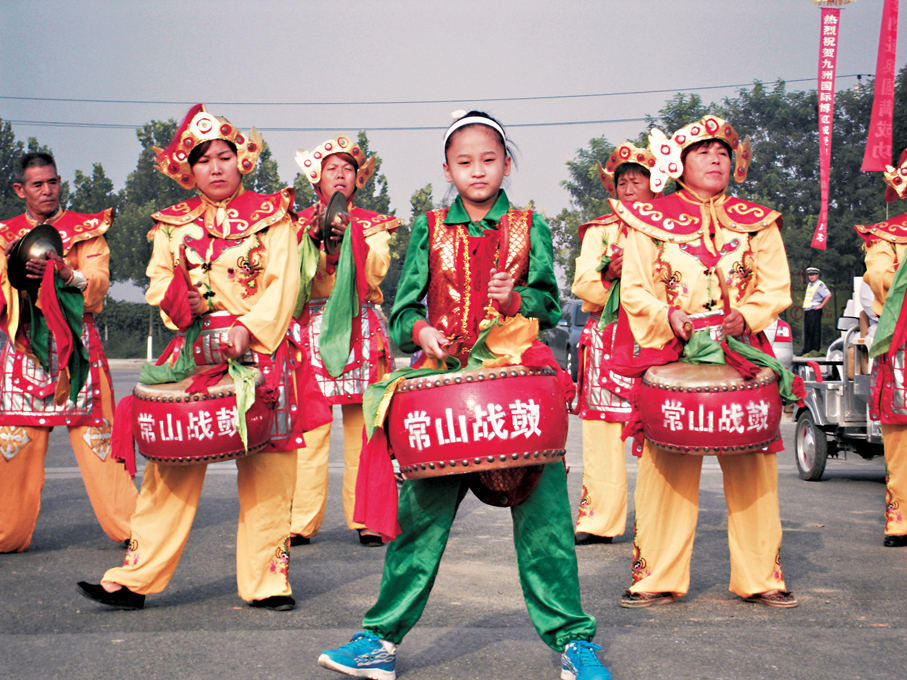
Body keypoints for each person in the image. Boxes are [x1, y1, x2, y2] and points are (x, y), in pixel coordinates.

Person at [317, 112, 610, 680]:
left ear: (507, 164)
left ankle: (575, 643)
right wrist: (421, 331)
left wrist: (515, 301)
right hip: (444, 394)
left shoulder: (530, 226)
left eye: (489, 159)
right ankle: (378, 640)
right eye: (464, 162)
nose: (478, 171)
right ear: (447, 170)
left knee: (546, 522)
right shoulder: (429, 227)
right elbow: (402, 312)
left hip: (516, 386)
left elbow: (550, 305)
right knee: (419, 520)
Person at [76, 104, 303, 610]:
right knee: (170, 468)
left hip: (261, 355)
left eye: (225, 156)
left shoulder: (273, 215)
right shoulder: (171, 225)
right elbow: (159, 283)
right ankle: (134, 578)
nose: (216, 168)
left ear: (242, 160)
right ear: (188, 170)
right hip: (193, 357)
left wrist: (248, 328)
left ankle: (267, 582)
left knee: (269, 471)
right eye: (203, 160)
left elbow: (284, 283)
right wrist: (183, 302)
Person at [616, 115, 798, 608]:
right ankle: (656, 577)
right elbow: (634, 288)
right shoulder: (648, 220)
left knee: (753, 465)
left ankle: (761, 577)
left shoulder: (758, 220)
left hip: (741, 353)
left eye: (722, 152)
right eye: (703, 151)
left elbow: (776, 286)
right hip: (676, 350)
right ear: (679, 163)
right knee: (667, 466)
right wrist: (668, 315)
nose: (715, 159)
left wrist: (747, 315)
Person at [0, 152, 138, 553]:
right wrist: (9, 271)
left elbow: (97, 283)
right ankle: (7, 533)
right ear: (20, 190)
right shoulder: (4, 235)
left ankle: (133, 528)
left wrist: (64, 274)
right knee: (12, 449)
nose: (47, 190)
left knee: (100, 443)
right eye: (37, 184)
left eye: (53, 182)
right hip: (24, 349)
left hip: (77, 347)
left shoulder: (86, 231)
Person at [290, 136, 402, 547]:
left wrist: (350, 236)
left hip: (361, 324)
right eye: (331, 168)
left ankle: (367, 518)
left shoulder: (374, 224)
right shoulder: (295, 223)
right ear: (316, 177)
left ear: (358, 178)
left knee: (366, 429)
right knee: (312, 428)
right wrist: (313, 241)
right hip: (313, 325)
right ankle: (300, 520)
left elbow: (374, 272)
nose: (340, 175)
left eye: (348, 169)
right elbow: (291, 277)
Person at [571, 142, 659, 545]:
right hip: (607, 338)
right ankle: (598, 520)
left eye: (637, 180)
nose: (629, 187)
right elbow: (582, 284)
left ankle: (657, 520)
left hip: (655, 337)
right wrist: (609, 274)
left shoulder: (672, 230)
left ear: (654, 185)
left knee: (657, 431)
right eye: (622, 181)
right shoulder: (600, 230)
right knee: (602, 433)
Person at [856, 161, 907, 547]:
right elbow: (878, 276)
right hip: (902, 343)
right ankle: (900, 519)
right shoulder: (887, 237)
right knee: (901, 439)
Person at [801, 267, 831, 355]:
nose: (811, 276)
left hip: (814, 311)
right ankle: (806, 350)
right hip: (808, 310)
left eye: (813, 275)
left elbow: (828, 295)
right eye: (810, 275)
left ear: (817, 275)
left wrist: (821, 305)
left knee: (814, 331)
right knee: (808, 331)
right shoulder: (810, 284)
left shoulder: (819, 284)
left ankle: (814, 350)